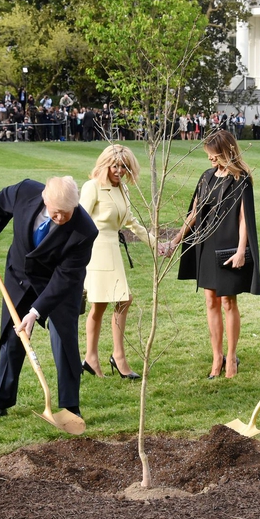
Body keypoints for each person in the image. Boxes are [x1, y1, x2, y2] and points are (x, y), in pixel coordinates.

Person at [0, 176, 98, 427]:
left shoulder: (85, 230)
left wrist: (36, 312)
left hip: (59, 283)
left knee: (64, 339)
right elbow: (0, 205)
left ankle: (70, 406)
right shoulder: (24, 191)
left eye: (67, 213)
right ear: (45, 200)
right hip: (20, 275)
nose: (62, 219)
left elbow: (65, 278)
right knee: (12, 338)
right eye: (56, 213)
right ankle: (1, 403)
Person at [164, 130, 260, 379]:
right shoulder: (206, 177)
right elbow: (195, 213)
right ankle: (216, 357)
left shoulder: (241, 181)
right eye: (208, 155)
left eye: (213, 155)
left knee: (229, 301)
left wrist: (242, 250)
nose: (210, 160)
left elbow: (244, 219)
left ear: (226, 152)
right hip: (206, 246)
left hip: (229, 245)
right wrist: (176, 241)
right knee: (210, 301)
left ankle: (231, 358)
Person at [80, 145, 157, 380]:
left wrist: (156, 244)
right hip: (96, 250)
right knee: (118, 300)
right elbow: (79, 221)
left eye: (124, 167)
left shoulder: (122, 189)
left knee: (104, 304)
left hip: (112, 248)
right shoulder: (92, 187)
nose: (119, 171)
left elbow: (131, 221)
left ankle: (94, 358)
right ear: (105, 164)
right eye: (115, 166)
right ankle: (114, 357)